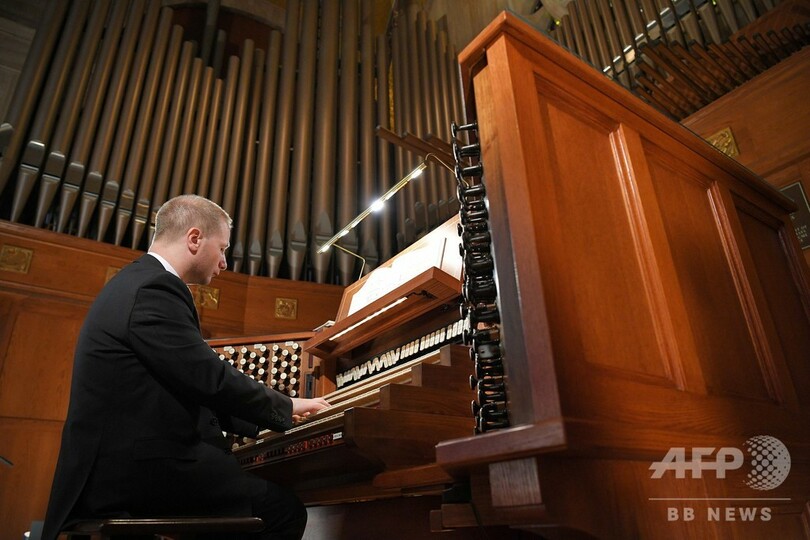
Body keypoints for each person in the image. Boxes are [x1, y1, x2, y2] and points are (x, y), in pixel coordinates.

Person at [41, 194, 329, 540]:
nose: (224, 262)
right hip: (135, 472)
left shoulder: (136, 281)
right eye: (222, 248)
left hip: (122, 466)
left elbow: (185, 383)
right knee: (283, 511)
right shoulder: (154, 287)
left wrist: (264, 420)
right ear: (194, 239)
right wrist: (287, 405)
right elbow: (208, 377)